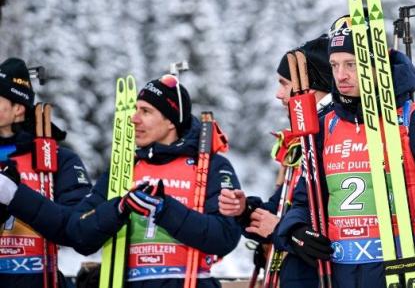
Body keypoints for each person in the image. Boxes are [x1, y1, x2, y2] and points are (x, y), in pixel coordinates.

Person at [275, 15, 415, 288]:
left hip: (404, 275)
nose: (340, 76)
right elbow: (306, 201)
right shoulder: (325, 126)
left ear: (378, 64)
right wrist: (295, 230)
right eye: (335, 65)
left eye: (351, 64)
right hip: (337, 277)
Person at [0, 74, 242, 287]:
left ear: (171, 121)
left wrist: (165, 208)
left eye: (145, 112)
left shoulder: (211, 165)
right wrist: (118, 208)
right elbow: (77, 232)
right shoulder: (124, 168)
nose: (134, 119)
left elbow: (224, 236)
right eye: (135, 109)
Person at [219, 34, 333, 288]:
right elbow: (284, 207)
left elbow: (329, 229)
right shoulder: (301, 141)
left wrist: (281, 229)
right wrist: (245, 211)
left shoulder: (334, 137)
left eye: (284, 83)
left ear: (309, 87)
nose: (278, 94)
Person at [0, 57, 92, 288]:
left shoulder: (59, 159)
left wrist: (19, 198)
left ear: (18, 108)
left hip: (38, 279)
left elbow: (79, 228)